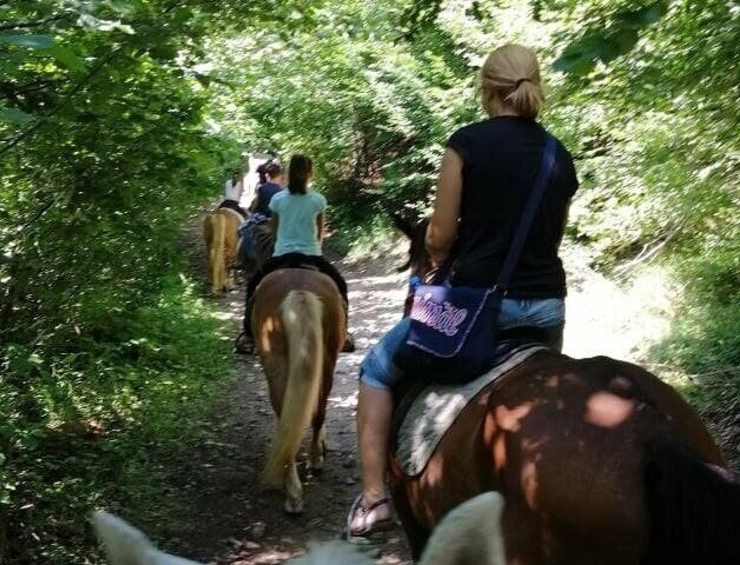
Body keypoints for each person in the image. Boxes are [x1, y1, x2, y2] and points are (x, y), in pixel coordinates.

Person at [345, 44, 580, 537]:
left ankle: (372, 500)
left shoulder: (466, 144)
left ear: (487, 91)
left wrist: (434, 255)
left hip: (472, 307)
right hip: (545, 310)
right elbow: (551, 238)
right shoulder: (559, 156)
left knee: (377, 368)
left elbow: (440, 236)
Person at [234, 154, 356, 354]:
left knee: (253, 286)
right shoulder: (318, 199)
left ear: (288, 173)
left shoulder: (278, 199)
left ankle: (247, 335)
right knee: (340, 285)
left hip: (282, 255)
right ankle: (344, 333)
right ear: (310, 173)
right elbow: (319, 233)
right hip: (311, 255)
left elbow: (273, 230)